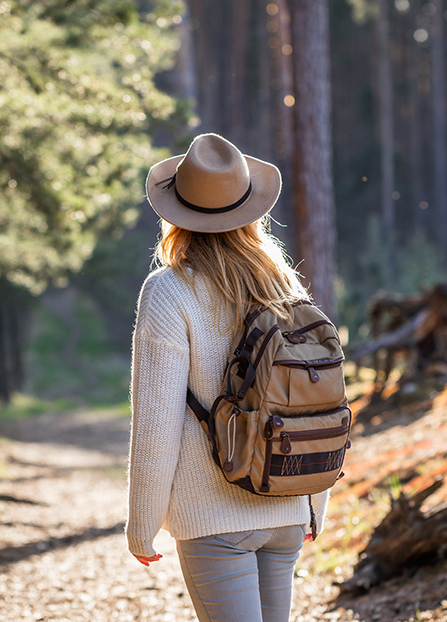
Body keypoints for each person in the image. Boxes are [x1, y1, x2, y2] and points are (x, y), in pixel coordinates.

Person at [126, 133, 330, 622]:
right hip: (287, 503)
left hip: (214, 517)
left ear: (176, 215)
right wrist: (312, 505)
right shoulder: (283, 283)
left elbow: (158, 424)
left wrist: (142, 525)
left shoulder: (170, 291)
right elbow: (314, 397)